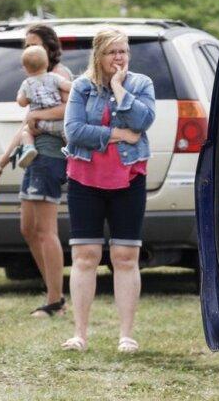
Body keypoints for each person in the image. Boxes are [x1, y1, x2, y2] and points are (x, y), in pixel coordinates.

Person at [61, 27, 155, 354]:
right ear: (98, 55)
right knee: (85, 256)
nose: (119, 58)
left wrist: (119, 90)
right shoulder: (82, 87)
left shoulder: (140, 84)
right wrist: (117, 134)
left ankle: (126, 335)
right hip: (85, 178)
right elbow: (73, 132)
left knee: (125, 256)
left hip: (129, 177)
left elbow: (143, 122)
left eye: (123, 51)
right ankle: (80, 334)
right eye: (112, 52)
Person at [0, 23, 72, 318]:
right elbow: (27, 123)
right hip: (34, 156)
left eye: (33, 43)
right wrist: (1, 161)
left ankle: (55, 300)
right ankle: (53, 293)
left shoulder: (58, 76)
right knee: (27, 228)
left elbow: (70, 108)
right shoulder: (35, 81)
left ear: (49, 48)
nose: (27, 49)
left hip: (50, 156)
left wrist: (36, 114)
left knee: (45, 229)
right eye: (25, 45)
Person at [11, 45, 71, 168]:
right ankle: (71, 150)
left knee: (26, 131)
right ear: (47, 63)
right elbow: (68, 86)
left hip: (39, 124)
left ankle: (29, 148)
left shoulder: (26, 83)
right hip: (60, 122)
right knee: (68, 134)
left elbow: (21, 102)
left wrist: (21, 95)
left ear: (25, 69)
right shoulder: (54, 77)